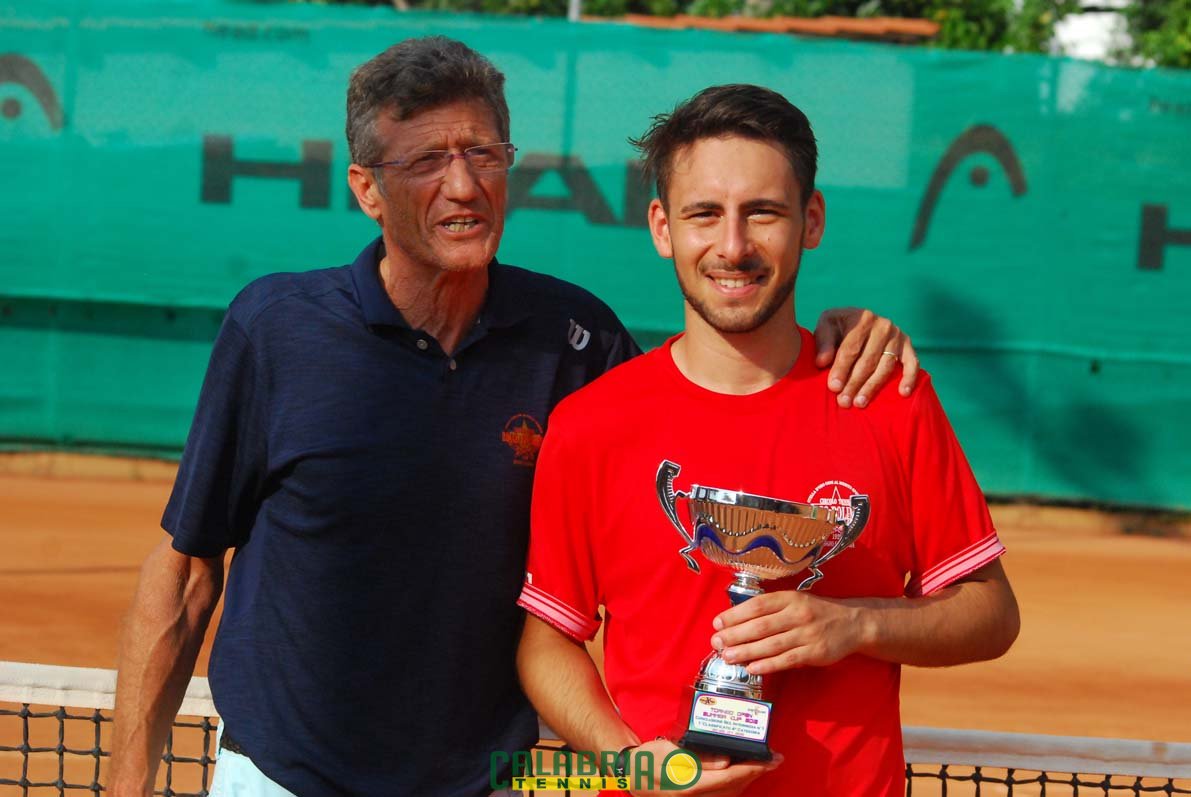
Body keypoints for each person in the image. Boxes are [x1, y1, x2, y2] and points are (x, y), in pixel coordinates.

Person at [109, 40, 921, 797]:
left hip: (486, 780)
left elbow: (704, 408)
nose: (463, 186)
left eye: (483, 155)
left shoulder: (577, 340)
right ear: (366, 189)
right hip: (282, 777)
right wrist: (125, 786)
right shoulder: (276, 329)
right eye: (426, 161)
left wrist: (829, 342)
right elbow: (184, 573)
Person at [515, 83, 1021, 797]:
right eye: (703, 214)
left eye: (763, 212)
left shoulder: (887, 399)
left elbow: (992, 614)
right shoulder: (591, 423)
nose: (733, 246)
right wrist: (631, 764)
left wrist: (854, 625)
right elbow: (548, 639)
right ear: (661, 227)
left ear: (810, 220)